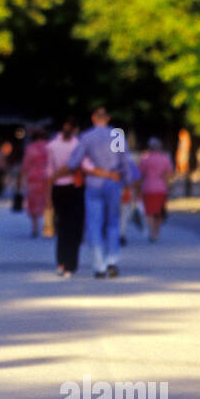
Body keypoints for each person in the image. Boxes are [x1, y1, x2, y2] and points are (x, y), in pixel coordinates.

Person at [67, 106, 136, 278]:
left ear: (93, 118)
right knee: (113, 223)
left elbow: (73, 162)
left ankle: (99, 265)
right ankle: (112, 260)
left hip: (94, 185)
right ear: (108, 118)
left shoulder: (87, 136)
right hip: (113, 182)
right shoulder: (116, 135)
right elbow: (126, 163)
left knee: (95, 224)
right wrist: (128, 184)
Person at [46, 117, 84, 276]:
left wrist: (48, 195)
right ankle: (71, 264)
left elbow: (49, 171)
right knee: (74, 228)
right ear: (75, 129)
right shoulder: (79, 144)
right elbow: (81, 165)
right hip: (75, 187)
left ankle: (61, 262)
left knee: (61, 226)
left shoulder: (52, 145)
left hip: (58, 188)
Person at [140, 137, 174, 241]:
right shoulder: (165, 158)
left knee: (149, 211)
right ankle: (157, 232)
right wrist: (168, 186)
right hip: (161, 188)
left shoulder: (145, 158)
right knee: (159, 212)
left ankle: (151, 232)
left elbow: (141, 173)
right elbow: (168, 174)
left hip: (148, 187)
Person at [19, 130, 49, 237]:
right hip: (48, 178)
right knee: (47, 202)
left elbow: (25, 166)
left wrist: (20, 181)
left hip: (33, 179)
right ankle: (48, 227)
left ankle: (35, 228)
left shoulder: (30, 149)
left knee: (33, 203)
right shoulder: (50, 147)